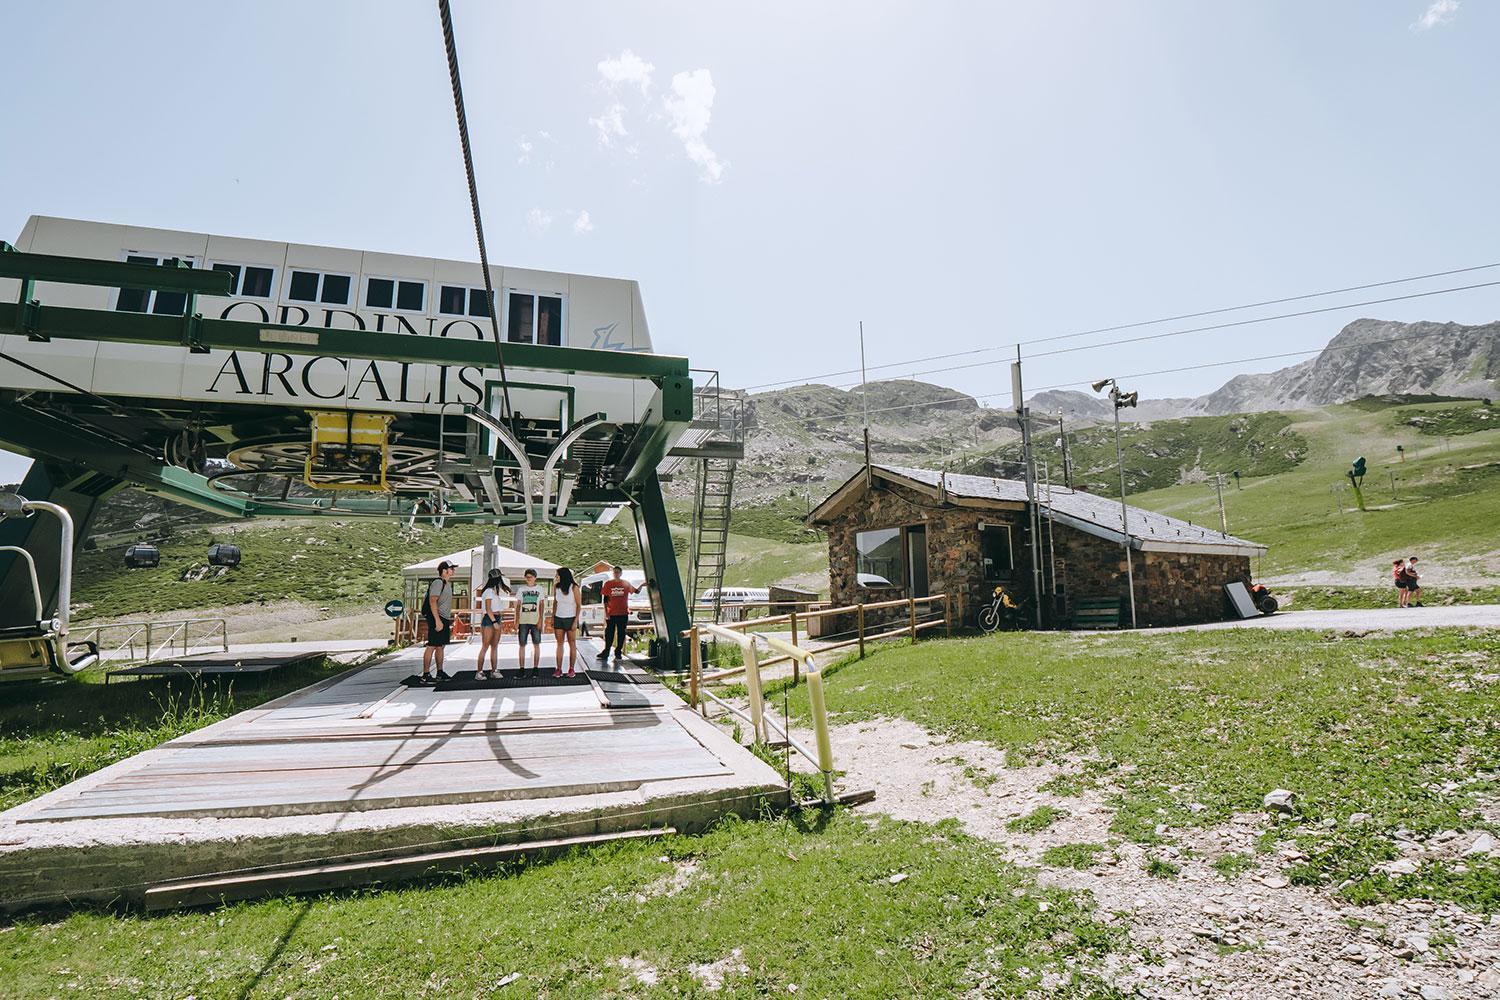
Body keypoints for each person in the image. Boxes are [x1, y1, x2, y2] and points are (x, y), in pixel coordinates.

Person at [597, 565, 650, 663]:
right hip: (611, 613)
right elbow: (605, 600)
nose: (616, 574)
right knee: (609, 633)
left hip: (623, 613)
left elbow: (636, 592)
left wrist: (642, 585)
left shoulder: (625, 583)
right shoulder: (608, 584)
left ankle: (618, 652)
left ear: (621, 573)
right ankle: (606, 652)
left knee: (621, 633)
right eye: (614, 572)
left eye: (617, 572)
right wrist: (606, 613)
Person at [421, 561, 456, 684]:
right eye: (451, 568)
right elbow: (432, 601)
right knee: (432, 645)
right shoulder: (438, 582)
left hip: (444, 618)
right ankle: (425, 674)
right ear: (445, 570)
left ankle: (440, 672)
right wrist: (437, 620)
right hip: (437, 617)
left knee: (440, 646)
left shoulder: (447, 584)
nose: (453, 570)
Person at [474, 568, 511, 680]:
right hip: (490, 620)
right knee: (485, 646)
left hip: (497, 618)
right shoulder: (488, 591)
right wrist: (494, 622)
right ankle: (479, 672)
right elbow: (488, 609)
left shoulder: (494, 591)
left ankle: (494, 670)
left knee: (494, 646)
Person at [512, 568, 545, 676]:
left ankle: (536, 667)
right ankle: (521, 668)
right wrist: (516, 620)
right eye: (527, 577)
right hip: (523, 620)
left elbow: (541, 605)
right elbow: (518, 606)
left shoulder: (540, 589)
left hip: (535, 620)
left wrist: (540, 620)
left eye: (530, 577)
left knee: (536, 644)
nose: (529, 579)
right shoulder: (521, 589)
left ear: (535, 578)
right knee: (522, 644)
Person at [552, 567, 581, 678]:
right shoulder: (556, 587)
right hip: (559, 618)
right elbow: (555, 602)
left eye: (557, 575)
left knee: (572, 643)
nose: (556, 577)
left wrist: (575, 621)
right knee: (559, 644)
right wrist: (553, 618)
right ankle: (558, 669)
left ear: (563, 576)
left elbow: (579, 605)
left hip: (571, 618)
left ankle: (571, 669)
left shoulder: (574, 587)